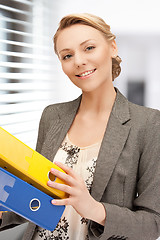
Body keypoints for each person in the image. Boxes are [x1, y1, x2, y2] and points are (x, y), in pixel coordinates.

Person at [0, 13, 160, 240]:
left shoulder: (149, 124)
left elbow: (153, 223)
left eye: (89, 48)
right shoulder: (52, 116)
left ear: (113, 47)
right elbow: (34, 197)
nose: (78, 61)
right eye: (67, 55)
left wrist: (94, 209)